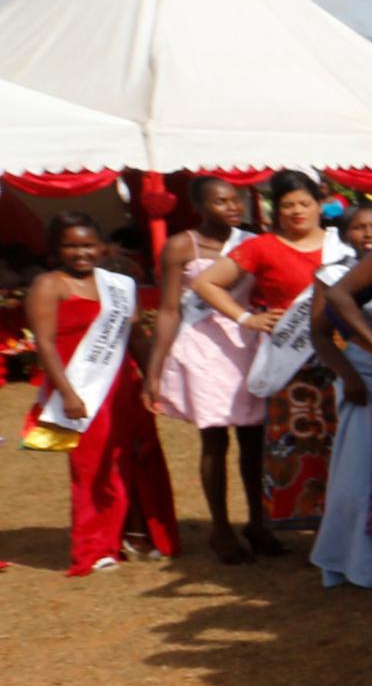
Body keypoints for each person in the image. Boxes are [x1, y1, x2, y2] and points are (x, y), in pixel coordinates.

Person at [189, 171, 350, 537]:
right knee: (301, 441)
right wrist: (247, 317)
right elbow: (205, 282)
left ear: (319, 204)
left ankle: (346, 521)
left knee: (345, 437)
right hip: (292, 361)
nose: (297, 212)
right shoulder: (262, 246)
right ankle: (306, 520)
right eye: (287, 205)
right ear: (275, 209)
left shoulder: (342, 244)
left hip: (343, 355)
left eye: (304, 203)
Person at [25, 213, 179, 576]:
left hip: (124, 384)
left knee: (140, 455)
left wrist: (149, 379)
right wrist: (67, 394)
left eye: (88, 245)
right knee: (94, 467)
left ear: (102, 247)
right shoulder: (49, 285)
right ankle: (96, 546)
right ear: (56, 249)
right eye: (71, 245)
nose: (81, 253)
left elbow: (137, 335)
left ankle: (139, 534)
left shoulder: (119, 284)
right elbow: (44, 345)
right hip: (83, 388)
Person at [143, 175, 271, 563]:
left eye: (235, 201)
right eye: (221, 202)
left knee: (255, 442)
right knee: (215, 441)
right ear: (200, 207)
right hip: (202, 347)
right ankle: (221, 529)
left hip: (246, 343)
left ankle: (258, 523)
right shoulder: (182, 245)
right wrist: (154, 369)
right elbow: (168, 309)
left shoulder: (250, 242)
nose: (233, 208)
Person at [307, 204, 372, 589]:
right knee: (359, 472)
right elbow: (320, 334)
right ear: (344, 235)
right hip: (360, 376)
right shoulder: (334, 275)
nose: (369, 234)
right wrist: (347, 376)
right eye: (359, 228)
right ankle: (356, 558)